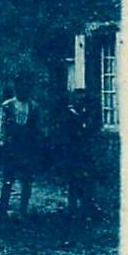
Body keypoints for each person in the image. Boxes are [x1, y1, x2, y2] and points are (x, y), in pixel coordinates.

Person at [0, 74, 43, 218]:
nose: (23, 90)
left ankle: (23, 210)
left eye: (26, 87)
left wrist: (36, 145)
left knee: (27, 180)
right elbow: (1, 127)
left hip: (27, 148)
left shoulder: (34, 107)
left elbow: (37, 128)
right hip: (12, 147)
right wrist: (3, 143)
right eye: (20, 87)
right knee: (8, 180)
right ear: (15, 88)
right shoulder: (7, 106)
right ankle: (3, 211)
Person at [55, 89, 97, 220]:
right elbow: (65, 135)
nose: (80, 102)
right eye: (78, 100)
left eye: (83, 100)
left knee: (86, 180)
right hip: (73, 153)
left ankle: (85, 208)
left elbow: (89, 131)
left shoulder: (86, 114)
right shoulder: (68, 115)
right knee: (74, 181)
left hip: (84, 153)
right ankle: (72, 209)